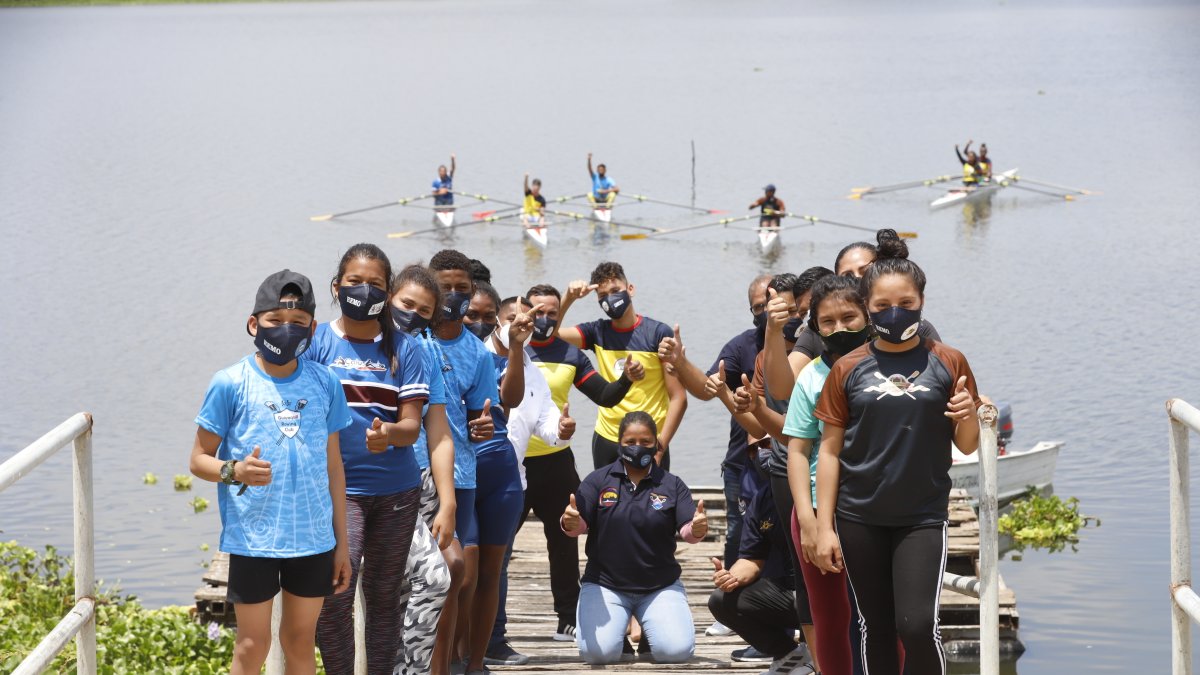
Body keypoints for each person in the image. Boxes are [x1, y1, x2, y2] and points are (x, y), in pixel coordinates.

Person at [812, 237, 981, 674]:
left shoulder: (948, 361)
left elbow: (966, 444)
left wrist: (968, 415)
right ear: (867, 306)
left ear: (921, 301)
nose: (895, 311)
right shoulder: (847, 368)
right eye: (883, 303)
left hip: (921, 516)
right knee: (877, 627)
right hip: (859, 516)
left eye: (906, 301)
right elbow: (829, 452)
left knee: (918, 624)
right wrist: (822, 526)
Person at [189, 270, 352, 675]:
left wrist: (342, 544)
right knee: (251, 643)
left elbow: (334, 466)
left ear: (312, 329)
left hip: (313, 537)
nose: (285, 330)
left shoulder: (326, 382)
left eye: (297, 324)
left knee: (300, 641)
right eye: (274, 321)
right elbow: (198, 460)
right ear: (253, 324)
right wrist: (235, 470)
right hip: (253, 539)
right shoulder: (230, 383)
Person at [309, 245, 429, 675]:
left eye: (376, 284)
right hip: (341, 494)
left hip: (397, 491)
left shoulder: (407, 348)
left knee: (383, 598)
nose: (364, 290)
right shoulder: (316, 342)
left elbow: (412, 426)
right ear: (336, 286)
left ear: (388, 290)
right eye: (355, 281)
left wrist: (390, 434)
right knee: (336, 595)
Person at [781, 274, 874, 675]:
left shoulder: (887, 368)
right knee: (832, 620)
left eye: (850, 318)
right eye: (827, 322)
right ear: (814, 327)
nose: (840, 328)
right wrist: (809, 523)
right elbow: (798, 451)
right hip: (819, 511)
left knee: (885, 618)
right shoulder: (811, 375)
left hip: (875, 509)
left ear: (868, 315)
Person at [562, 411, 708, 664]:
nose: (637, 448)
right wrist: (570, 521)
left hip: (659, 585)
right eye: (630, 442)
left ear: (656, 445)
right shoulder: (597, 480)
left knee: (676, 652)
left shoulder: (671, 484)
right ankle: (619, 637)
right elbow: (576, 524)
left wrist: (697, 529)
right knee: (597, 655)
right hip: (605, 584)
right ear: (619, 443)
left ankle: (652, 629)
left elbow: (688, 529)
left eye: (646, 442)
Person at [418, 249, 499, 674]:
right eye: (444, 287)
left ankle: (447, 663)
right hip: (407, 471)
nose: (453, 296)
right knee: (427, 575)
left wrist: (481, 427)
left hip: (459, 475)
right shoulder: (408, 337)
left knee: (460, 576)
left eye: (461, 289)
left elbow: (475, 418)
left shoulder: (478, 352)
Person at [390, 265, 459, 675]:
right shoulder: (352, 346)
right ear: (389, 298)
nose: (412, 315)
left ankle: (408, 668)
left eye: (423, 310)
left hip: (420, 484)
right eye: (406, 304)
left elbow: (440, 435)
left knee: (427, 581)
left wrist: (447, 500)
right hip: (365, 487)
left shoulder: (424, 355)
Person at [555, 261, 686, 469]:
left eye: (616, 290)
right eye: (603, 296)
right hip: (607, 439)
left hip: (649, 441)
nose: (611, 299)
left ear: (630, 289)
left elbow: (679, 397)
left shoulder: (658, 333)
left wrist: (660, 447)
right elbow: (552, 335)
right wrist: (569, 298)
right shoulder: (597, 332)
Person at [707, 444, 814, 675]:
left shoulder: (817, 489)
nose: (767, 451)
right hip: (788, 592)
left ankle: (821, 657)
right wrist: (730, 576)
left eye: (774, 444)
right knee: (720, 600)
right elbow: (751, 559)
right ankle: (790, 654)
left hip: (823, 592)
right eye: (759, 447)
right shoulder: (762, 498)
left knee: (813, 601)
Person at [791, 231, 943, 375]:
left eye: (865, 271)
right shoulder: (820, 329)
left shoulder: (916, 327)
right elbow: (783, 387)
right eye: (848, 275)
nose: (858, 278)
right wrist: (773, 331)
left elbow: (944, 373)